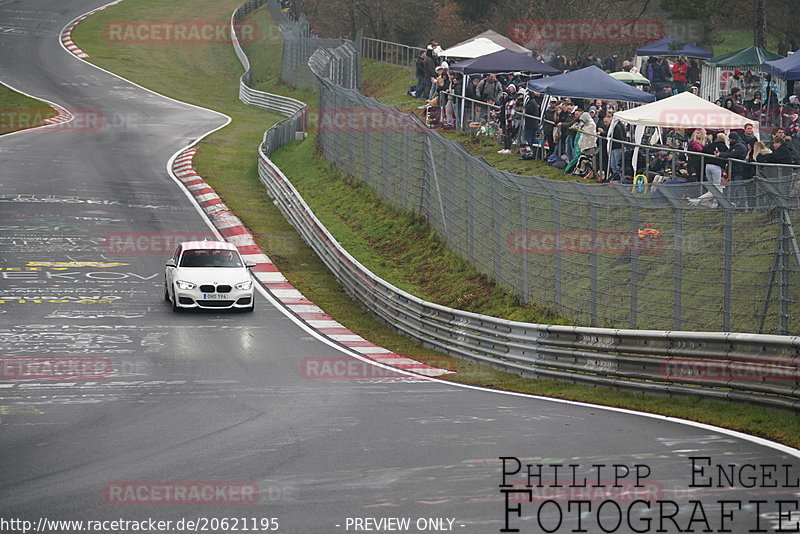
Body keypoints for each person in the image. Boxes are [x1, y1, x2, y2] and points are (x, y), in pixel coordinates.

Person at [717, 132, 748, 207]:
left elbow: (732, 154)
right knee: (733, 188)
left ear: (733, 139)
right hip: (734, 169)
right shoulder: (734, 145)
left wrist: (721, 154)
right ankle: (731, 204)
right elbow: (729, 153)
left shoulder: (739, 146)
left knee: (740, 188)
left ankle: (741, 206)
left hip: (738, 170)